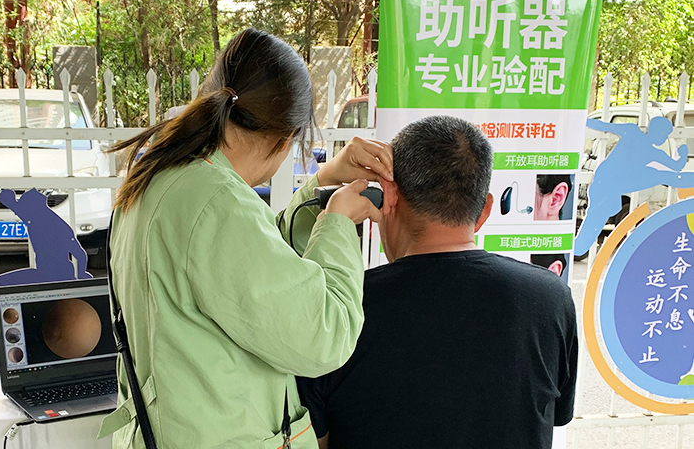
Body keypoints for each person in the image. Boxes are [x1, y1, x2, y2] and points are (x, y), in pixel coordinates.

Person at [98, 28, 390, 448]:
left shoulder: (166, 176)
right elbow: (325, 335)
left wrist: (323, 182)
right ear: (286, 138)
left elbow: (251, 270)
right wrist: (339, 223)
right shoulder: (217, 202)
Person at [296, 116, 578, 449]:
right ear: (485, 210)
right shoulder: (551, 298)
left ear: (388, 197)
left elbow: (310, 439)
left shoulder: (341, 311)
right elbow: (553, 415)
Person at [575, 116, 694, 255]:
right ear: (653, 129)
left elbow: (675, 167)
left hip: (616, 182)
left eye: (666, 135)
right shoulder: (633, 132)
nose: (664, 138)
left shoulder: (653, 151)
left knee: (661, 175)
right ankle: (579, 247)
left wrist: (682, 154)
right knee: (598, 214)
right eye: (663, 133)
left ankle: (579, 247)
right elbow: (605, 126)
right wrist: (582, 120)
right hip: (607, 182)